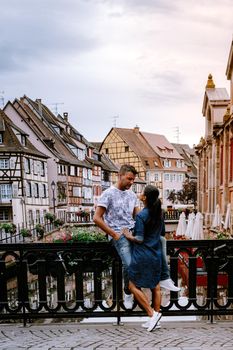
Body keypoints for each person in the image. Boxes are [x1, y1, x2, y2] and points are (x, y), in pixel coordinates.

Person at [93, 164, 179, 309]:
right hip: (118, 235)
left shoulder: (132, 195)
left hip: (133, 233)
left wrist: (151, 226)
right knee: (130, 263)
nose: (132, 182)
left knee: (160, 242)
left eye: (133, 180)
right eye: (129, 179)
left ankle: (164, 278)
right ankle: (127, 292)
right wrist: (114, 234)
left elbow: (138, 216)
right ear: (120, 176)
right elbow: (97, 218)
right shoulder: (108, 194)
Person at [122, 185, 163, 331]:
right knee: (155, 287)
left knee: (132, 286)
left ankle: (152, 315)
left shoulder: (141, 215)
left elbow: (139, 238)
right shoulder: (159, 212)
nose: (140, 194)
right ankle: (155, 320)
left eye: (142, 192)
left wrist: (128, 235)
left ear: (145, 197)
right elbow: (161, 232)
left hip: (142, 254)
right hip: (155, 253)